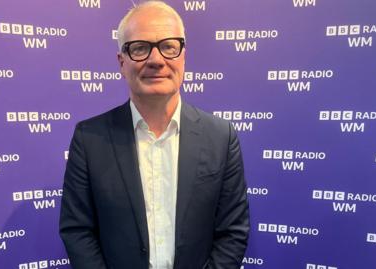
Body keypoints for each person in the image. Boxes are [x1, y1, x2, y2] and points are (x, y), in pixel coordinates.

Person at [59, 1, 249, 268]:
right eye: (140, 48)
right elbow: (77, 231)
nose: (156, 60)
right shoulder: (89, 138)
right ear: (121, 62)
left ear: (183, 55)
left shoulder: (221, 137)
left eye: (169, 46)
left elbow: (233, 232)